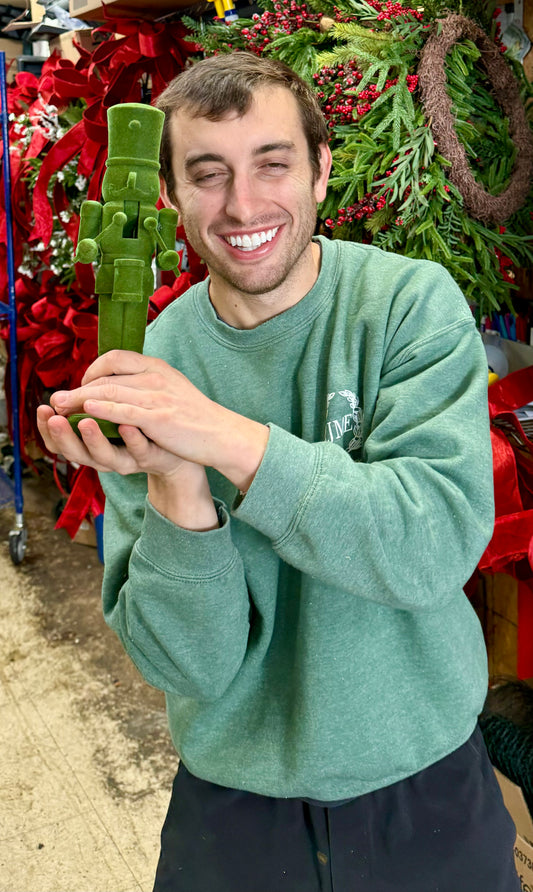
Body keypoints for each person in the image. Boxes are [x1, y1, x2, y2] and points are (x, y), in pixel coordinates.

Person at [37, 53, 520, 892]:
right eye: (208, 175)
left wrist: (221, 436)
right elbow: (183, 666)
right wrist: (177, 486)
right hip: (232, 809)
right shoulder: (150, 368)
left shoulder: (406, 305)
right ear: (170, 198)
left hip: (424, 786)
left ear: (320, 171)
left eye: (272, 164)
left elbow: (429, 548)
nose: (243, 205)